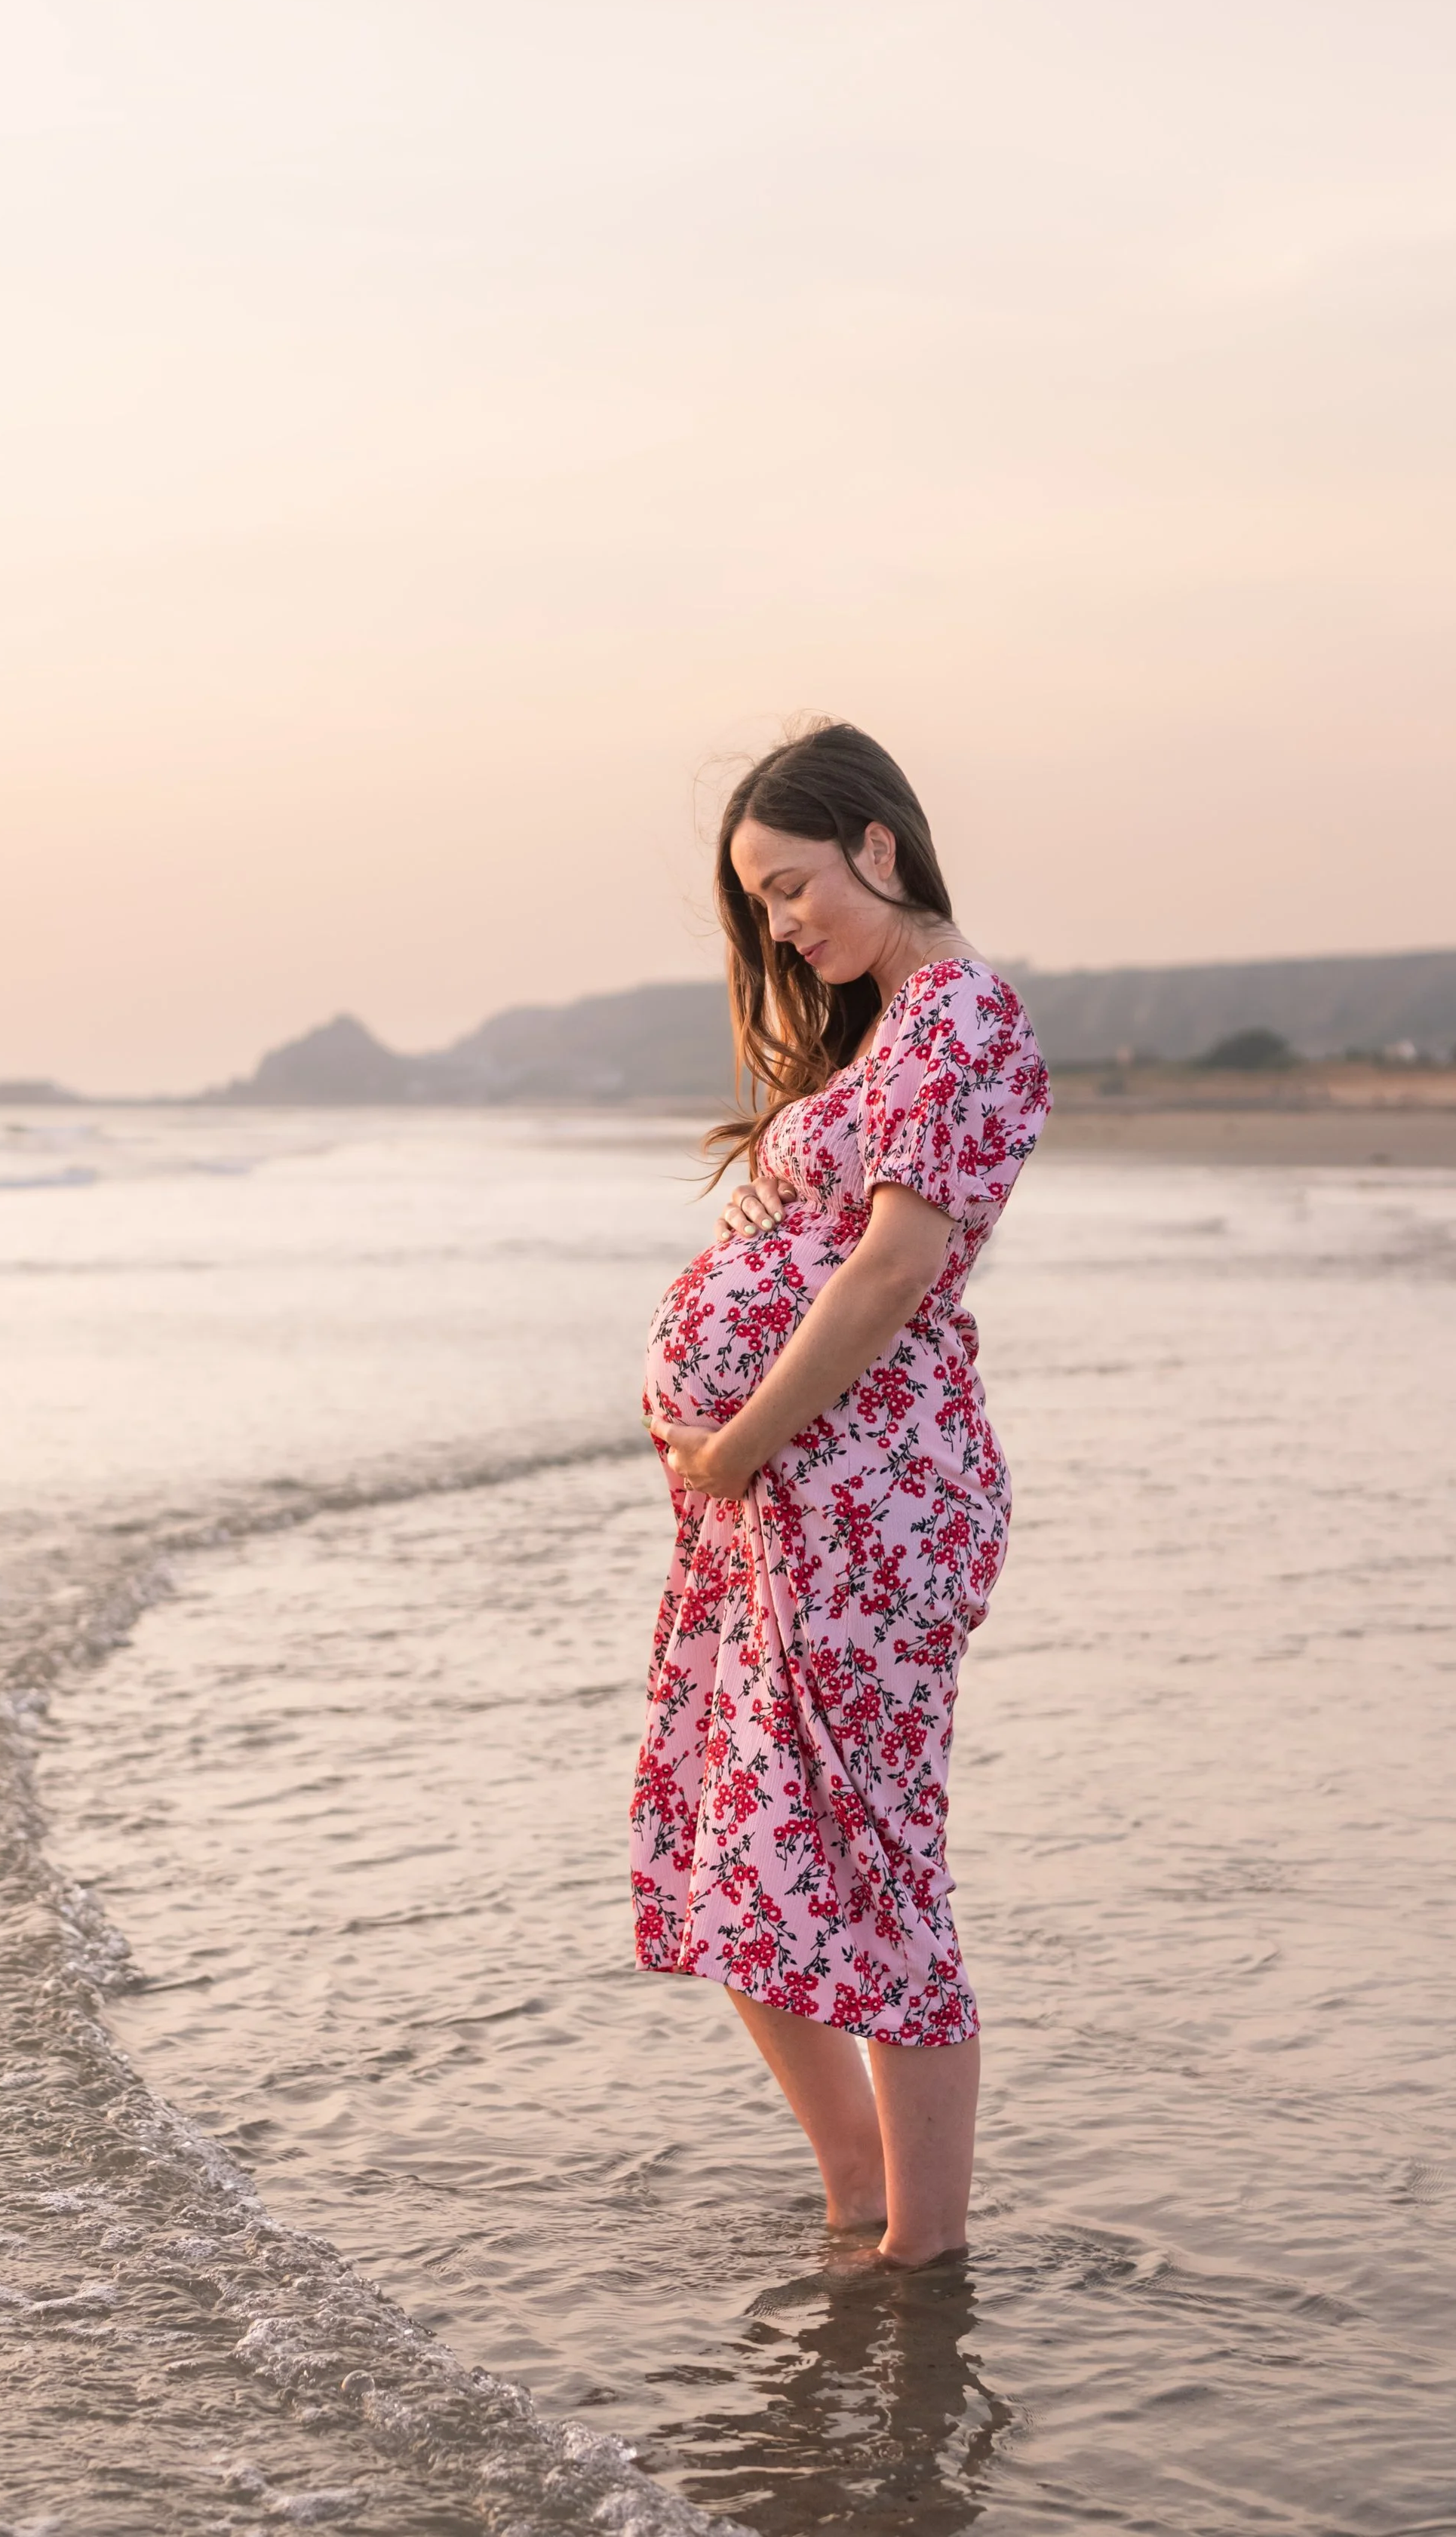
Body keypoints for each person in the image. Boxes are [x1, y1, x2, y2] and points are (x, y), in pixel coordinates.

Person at [635, 719, 1050, 2266]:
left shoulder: (963, 1016)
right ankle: (857, 2189)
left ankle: (920, 2258)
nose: (780, 925)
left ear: (878, 846)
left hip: (876, 1508)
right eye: (757, 905)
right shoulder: (872, 1036)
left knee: (869, 1861)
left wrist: (738, 1439)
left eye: (790, 885)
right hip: (777, 1511)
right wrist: (727, 1460)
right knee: (734, 1848)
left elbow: (886, 1273)